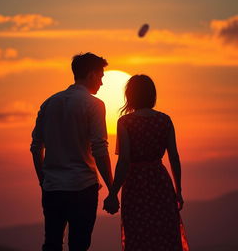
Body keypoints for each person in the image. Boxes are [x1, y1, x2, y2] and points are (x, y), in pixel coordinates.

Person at [30, 52, 114, 251]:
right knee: (79, 245)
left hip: (52, 187)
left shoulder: (49, 103)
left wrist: (43, 180)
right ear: (92, 75)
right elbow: (100, 149)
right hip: (82, 187)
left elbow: (35, 148)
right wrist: (111, 188)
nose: (101, 83)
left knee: (51, 244)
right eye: (101, 77)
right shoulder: (94, 105)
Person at [104, 75, 189, 251]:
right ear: (152, 95)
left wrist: (113, 193)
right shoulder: (164, 120)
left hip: (135, 184)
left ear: (130, 96)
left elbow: (124, 161)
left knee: (138, 234)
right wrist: (178, 190)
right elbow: (174, 156)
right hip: (160, 181)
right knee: (164, 233)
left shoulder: (125, 122)